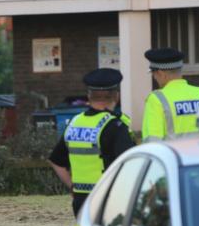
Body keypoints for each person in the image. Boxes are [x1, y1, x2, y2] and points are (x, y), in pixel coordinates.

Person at [49, 68, 136, 215]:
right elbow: (130, 165)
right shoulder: (115, 126)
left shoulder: (75, 123)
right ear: (116, 96)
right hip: (109, 198)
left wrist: (72, 186)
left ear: (89, 96)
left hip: (80, 200)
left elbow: (55, 161)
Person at [141, 47, 199, 141]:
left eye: (154, 74)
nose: (154, 78)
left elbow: (152, 142)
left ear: (161, 73)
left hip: (174, 155)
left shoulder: (156, 100)